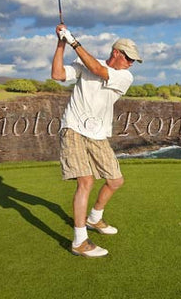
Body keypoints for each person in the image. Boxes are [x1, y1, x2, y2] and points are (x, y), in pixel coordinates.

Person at [51, 24, 142, 257]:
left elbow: (98, 70)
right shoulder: (86, 63)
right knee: (86, 182)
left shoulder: (125, 76)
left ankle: (94, 218)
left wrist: (73, 41)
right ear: (116, 53)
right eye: (129, 58)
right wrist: (61, 44)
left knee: (116, 180)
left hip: (99, 134)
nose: (131, 63)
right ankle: (80, 241)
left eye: (133, 60)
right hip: (73, 128)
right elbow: (58, 75)